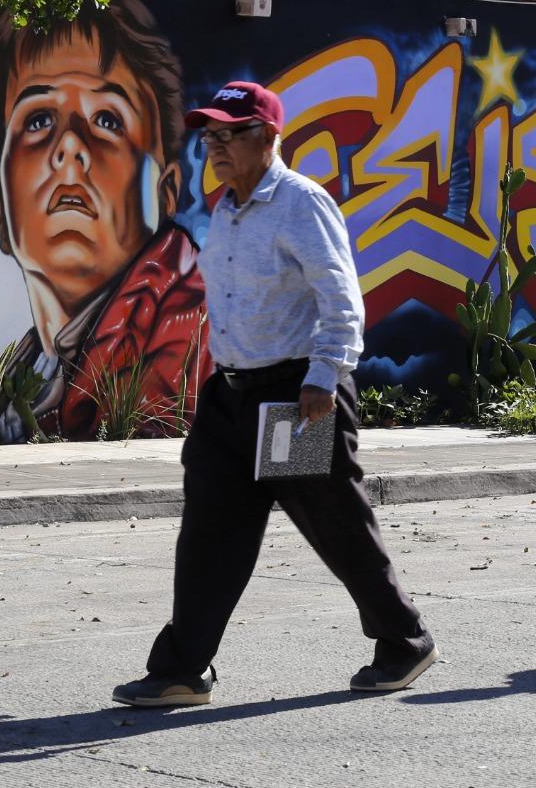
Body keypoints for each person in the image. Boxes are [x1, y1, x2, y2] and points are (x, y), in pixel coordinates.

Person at [112, 80, 437, 706]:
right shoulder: (227, 209)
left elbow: (341, 299)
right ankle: (184, 668)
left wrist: (322, 378)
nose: (215, 149)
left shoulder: (299, 204)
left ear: (267, 137)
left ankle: (405, 640)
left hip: (295, 396)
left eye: (227, 136)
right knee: (210, 532)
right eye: (209, 138)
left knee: (334, 525)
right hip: (232, 397)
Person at [0, 0, 211, 442]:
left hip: (313, 409)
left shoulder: (185, 333)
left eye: (107, 120)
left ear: (166, 193)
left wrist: (321, 383)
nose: (68, 149)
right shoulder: (30, 367)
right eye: (39, 119)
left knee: (319, 494)